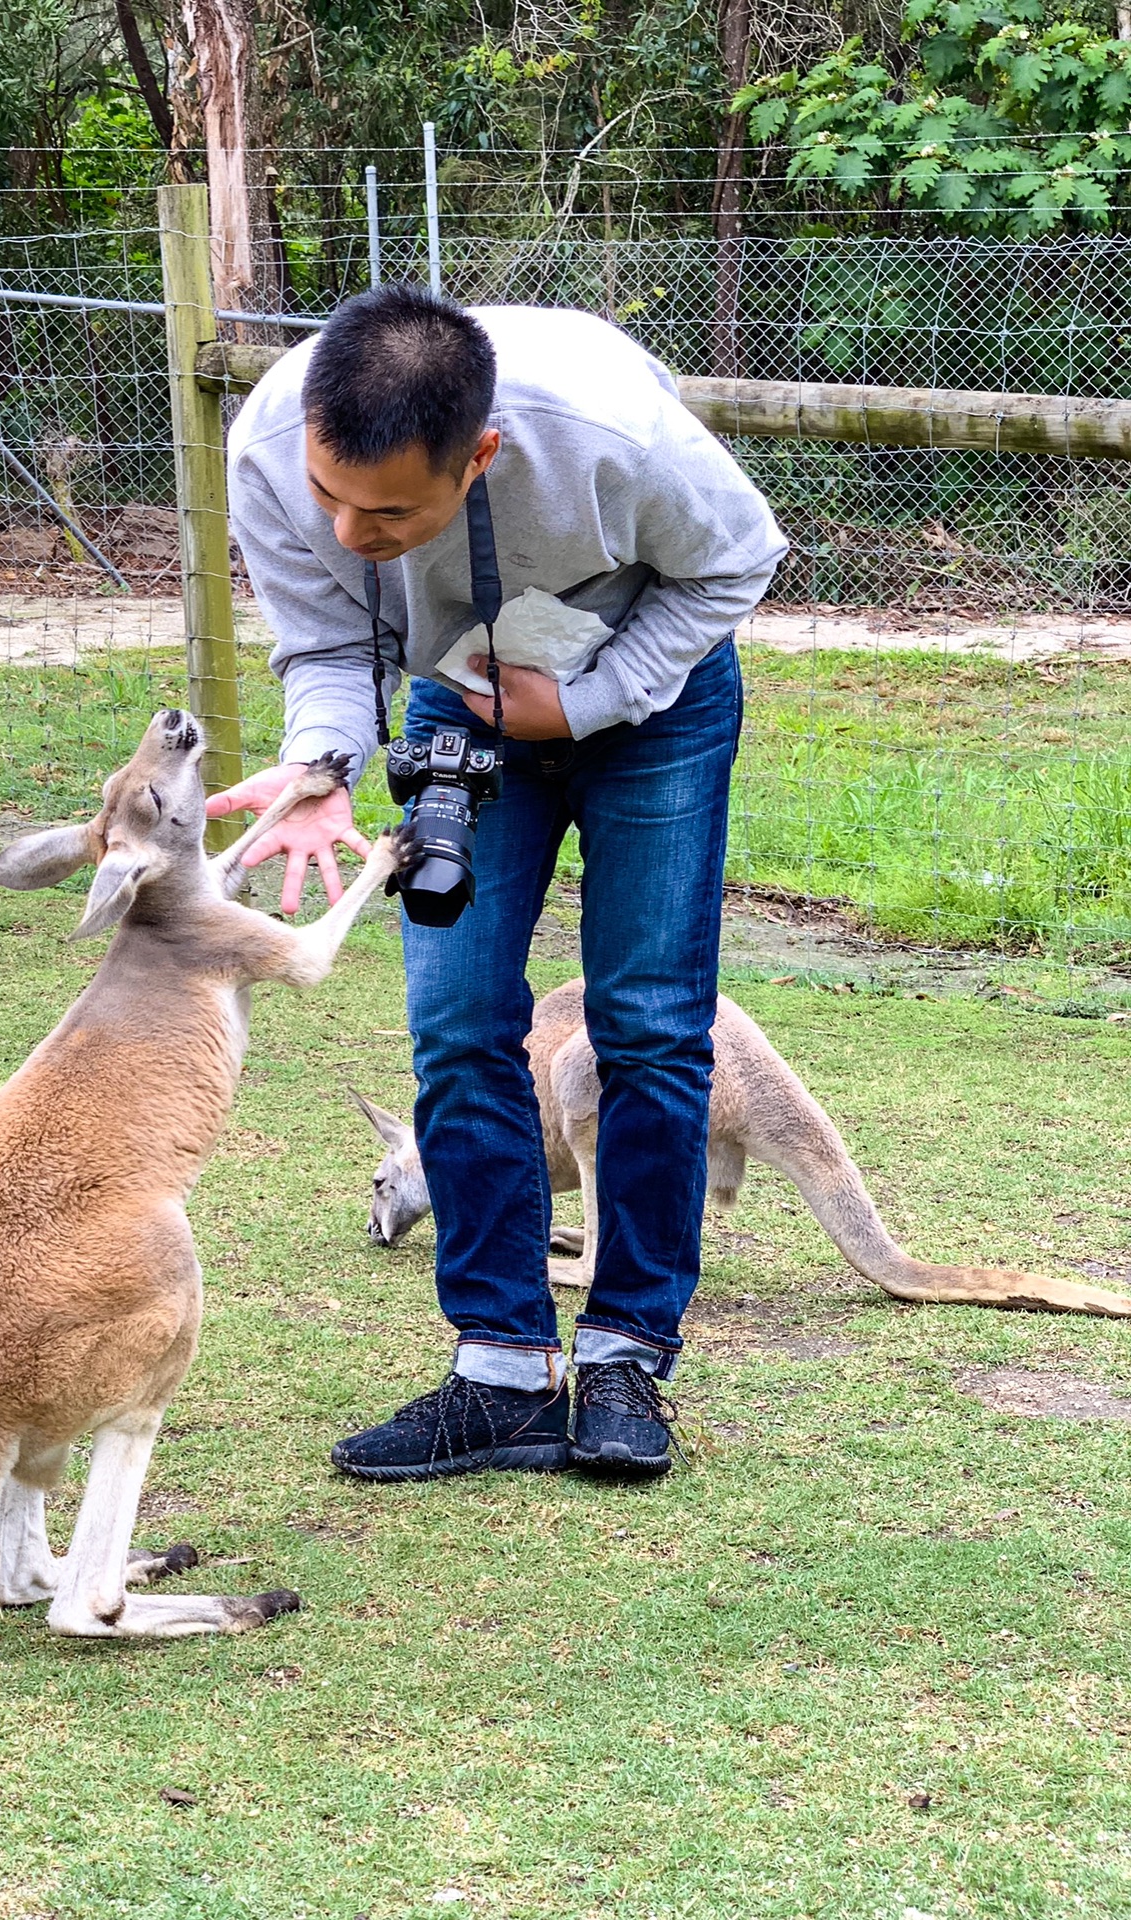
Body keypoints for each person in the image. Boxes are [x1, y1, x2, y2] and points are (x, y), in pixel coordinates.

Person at [210, 286, 787, 1480]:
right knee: (460, 1019)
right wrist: (322, 763)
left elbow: (736, 563)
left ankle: (627, 1355)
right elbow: (322, 640)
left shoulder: (605, 431)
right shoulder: (271, 442)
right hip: (460, 697)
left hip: (650, 697)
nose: (349, 530)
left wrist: (582, 700)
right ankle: (502, 1372)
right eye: (331, 497)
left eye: (388, 512)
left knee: (650, 1024)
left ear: (480, 455)